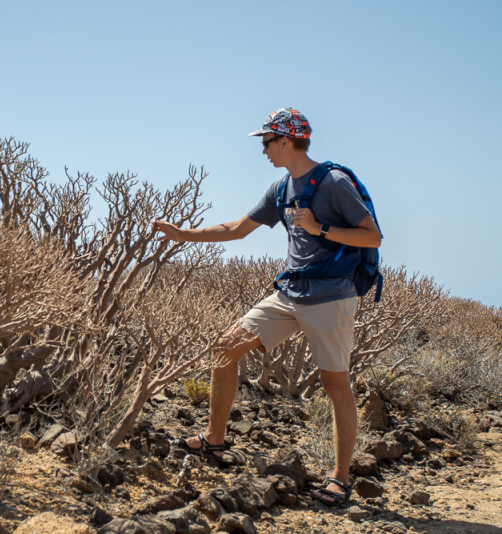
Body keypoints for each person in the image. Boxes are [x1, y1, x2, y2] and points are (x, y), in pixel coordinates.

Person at [151, 107, 382, 508]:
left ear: (287, 141)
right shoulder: (281, 188)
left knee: (334, 385)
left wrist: (319, 228)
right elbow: (237, 230)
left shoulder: (333, 182)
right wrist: (182, 234)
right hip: (289, 293)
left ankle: (340, 479)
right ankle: (214, 439)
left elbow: (373, 237)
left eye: (266, 141)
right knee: (225, 348)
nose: (263, 150)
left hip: (331, 296)